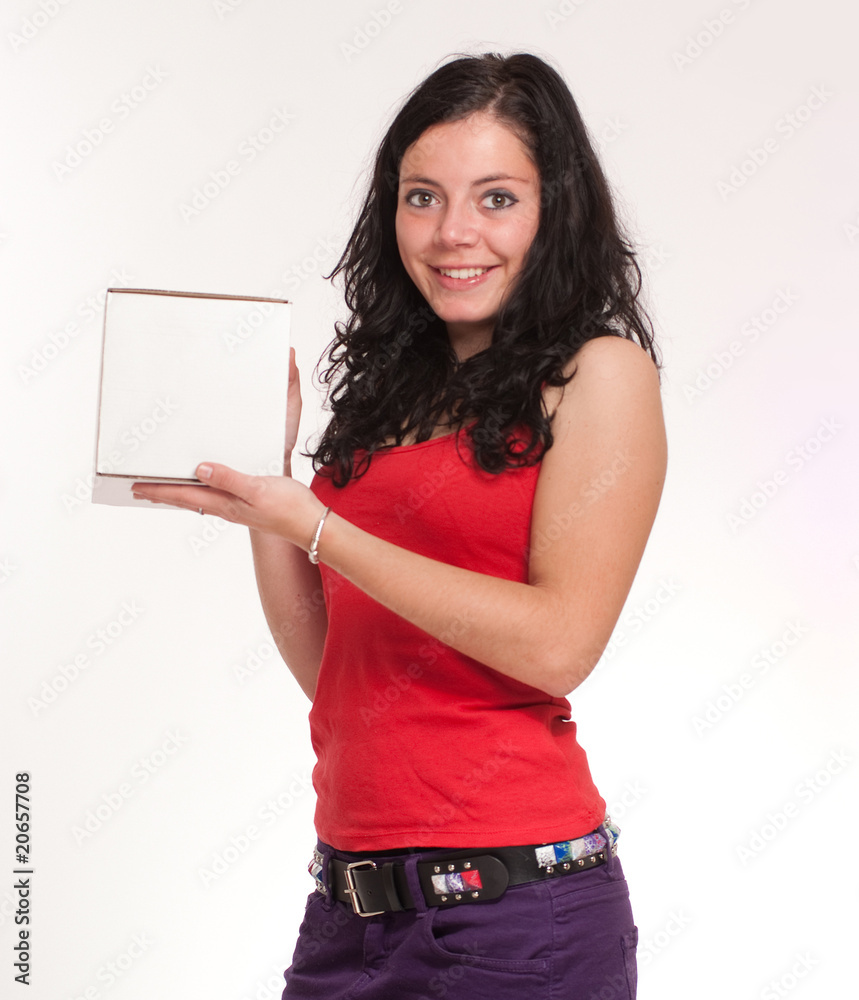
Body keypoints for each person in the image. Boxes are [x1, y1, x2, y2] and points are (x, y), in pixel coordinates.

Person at [134, 51, 666, 1000]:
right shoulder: (393, 396)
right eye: (423, 197)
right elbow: (336, 671)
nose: (453, 232)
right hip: (348, 912)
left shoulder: (598, 374)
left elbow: (561, 645)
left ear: (556, 210)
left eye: (496, 198)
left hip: (515, 918)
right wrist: (267, 492)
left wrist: (320, 529)